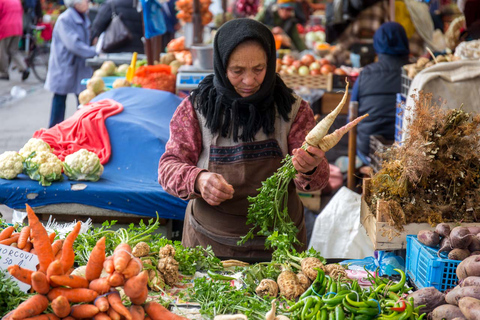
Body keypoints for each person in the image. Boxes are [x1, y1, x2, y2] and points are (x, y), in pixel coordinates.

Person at [158, 19, 330, 258]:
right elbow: (167, 167)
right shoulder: (197, 109)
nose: (249, 81)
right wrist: (198, 179)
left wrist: (309, 169)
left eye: (259, 69)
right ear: (221, 65)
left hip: (280, 248)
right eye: (237, 71)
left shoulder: (293, 110)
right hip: (210, 245)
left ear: (270, 65)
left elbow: (318, 180)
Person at [350, 22, 410, 165]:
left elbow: (350, 120)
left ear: (377, 45)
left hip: (370, 151)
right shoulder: (415, 74)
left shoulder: (365, 75)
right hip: (408, 154)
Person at [44, 0, 97, 128]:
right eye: (85, 1)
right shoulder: (65, 19)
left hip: (79, 66)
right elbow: (74, 45)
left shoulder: (84, 16)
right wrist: (94, 51)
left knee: (82, 100)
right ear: (75, 3)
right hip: (65, 66)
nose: (87, 3)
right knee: (59, 99)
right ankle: (53, 132)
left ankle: (80, 130)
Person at [0, 0, 30, 81]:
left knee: (3, 51)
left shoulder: (2, 1)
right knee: (14, 51)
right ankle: (24, 68)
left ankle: (4, 73)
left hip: (6, 28)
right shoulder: (17, 1)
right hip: (17, 27)